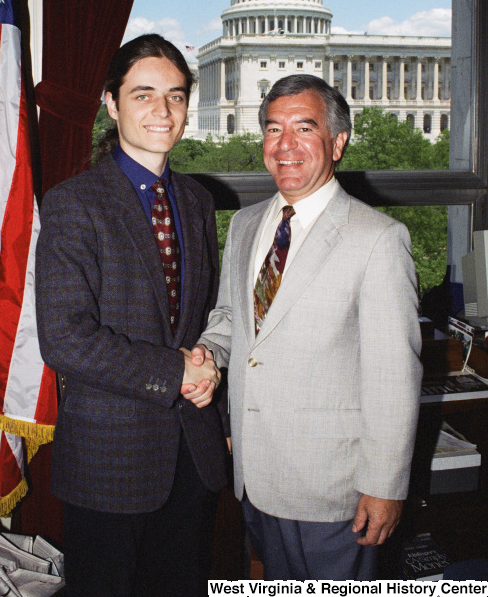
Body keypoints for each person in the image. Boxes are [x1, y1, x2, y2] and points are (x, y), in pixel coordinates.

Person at [186, 74, 423, 580]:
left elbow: (393, 377)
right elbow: (231, 318)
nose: (285, 145)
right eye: (273, 129)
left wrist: (385, 485)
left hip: (334, 489)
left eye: (304, 128)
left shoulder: (379, 239)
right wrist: (207, 354)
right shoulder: (246, 224)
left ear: (337, 142)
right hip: (255, 475)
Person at [36, 34, 227, 597]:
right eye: (143, 95)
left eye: (175, 95)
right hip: (109, 464)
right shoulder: (73, 203)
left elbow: (206, 313)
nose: (162, 111)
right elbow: (65, 339)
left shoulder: (196, 200)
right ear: (112, 104)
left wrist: (209, 362)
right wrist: (176, 373)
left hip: (193, 456)